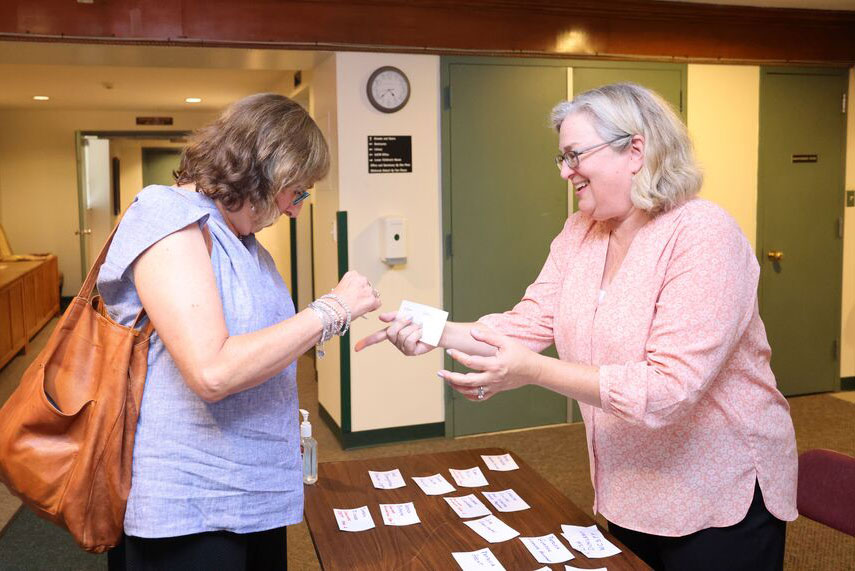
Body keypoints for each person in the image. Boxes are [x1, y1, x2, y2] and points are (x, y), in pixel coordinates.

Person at [357, 83, 797, 571]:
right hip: (629, 482)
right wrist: (429, 329)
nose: (566, 171)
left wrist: (534, 372)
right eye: (561, 158)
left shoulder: (703, 235)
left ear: (635, 149)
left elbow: (669, 388)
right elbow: (528, 322)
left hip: (716, 493)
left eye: (574, 155)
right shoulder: (581, 230)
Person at [99, 93, 381, 570]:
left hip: (254, 492)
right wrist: (332, 310)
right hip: (191, 507)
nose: (295, 210)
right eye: (299, 192)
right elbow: (212, 371)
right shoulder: (166, 215)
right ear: (268, 169)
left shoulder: (246, 244)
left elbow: (259, 347)